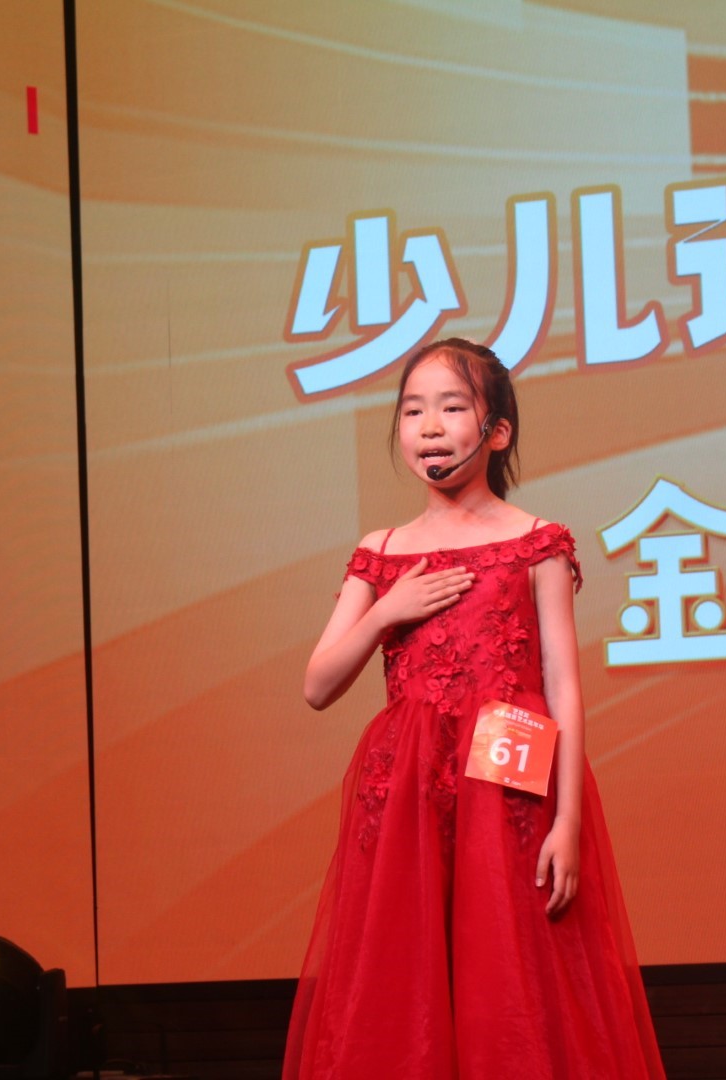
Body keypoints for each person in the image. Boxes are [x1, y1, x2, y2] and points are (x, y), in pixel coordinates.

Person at [283, 338, 666, 1079]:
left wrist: (568, 821)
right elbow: (318, 685)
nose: (429, 426)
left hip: (508, 784)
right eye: (412, 411)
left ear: (497, 431)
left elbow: (563, 685)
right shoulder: (382, 550)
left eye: (452, 408)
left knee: (514, 976)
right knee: (402, 978)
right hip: (407, 795)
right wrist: (386, 610)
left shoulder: (535, 543)